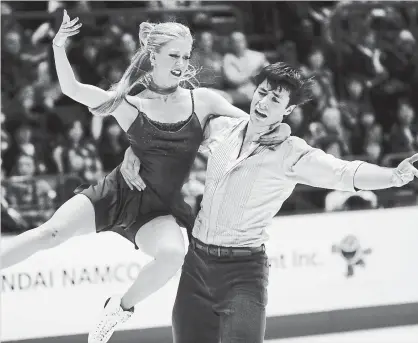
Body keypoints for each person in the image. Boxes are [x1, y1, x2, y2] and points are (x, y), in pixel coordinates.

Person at [0, 10, 290, 343]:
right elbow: (72, 89)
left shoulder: (204, 100)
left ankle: (117, 308)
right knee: (49, 233)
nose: (181, 62)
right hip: (117, 193)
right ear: (153, 56)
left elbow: (252, 125)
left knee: (172, 255)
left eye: (185, 55)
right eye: (173, 55)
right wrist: (58, 46)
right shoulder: (131, 105)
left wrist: (282, 125)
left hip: (158, 207)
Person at [121, 62, 418, 343]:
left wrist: (391, 176)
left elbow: (343, 172)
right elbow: (170, 138)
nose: (263, 103)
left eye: (275, 99)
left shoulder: (291, 153)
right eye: (261, 93)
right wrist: (134, 152)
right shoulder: (221, 129)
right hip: (196, 264)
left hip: (243, 271)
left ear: (288, 109)